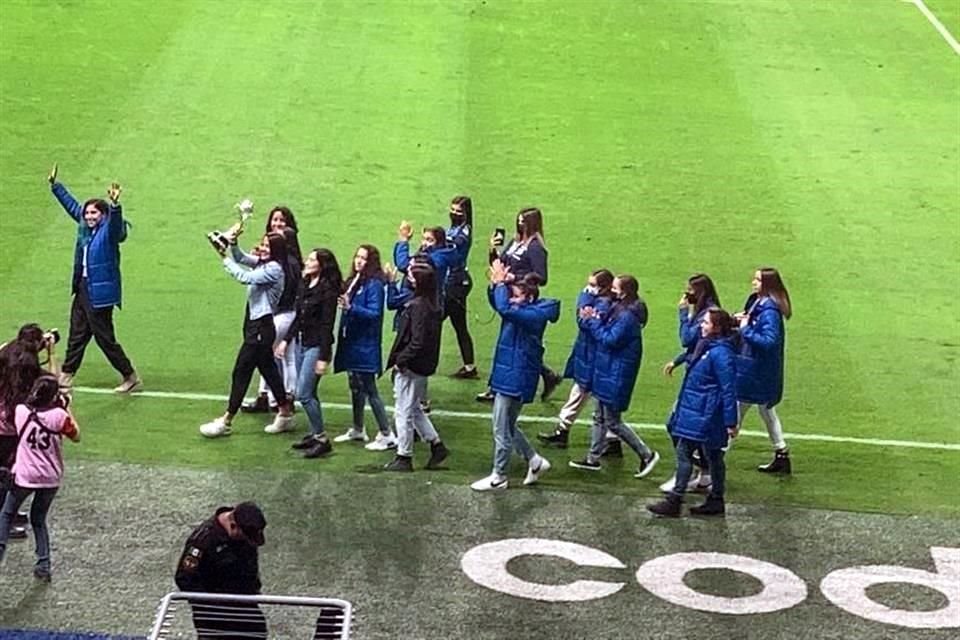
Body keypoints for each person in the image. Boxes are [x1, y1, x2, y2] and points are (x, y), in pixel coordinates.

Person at [48, 164, 140, 393]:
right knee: (77, 332)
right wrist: (55, 186)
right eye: (87, 213)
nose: (88, 216)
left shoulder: (109, 231)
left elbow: (118, 226)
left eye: (94, 213)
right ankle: (67, 375)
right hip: (83, 288)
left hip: (100, 293)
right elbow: (73, 207)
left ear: (103, 215)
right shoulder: (86, 230)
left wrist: (116, 205)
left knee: (104, 338)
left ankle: (129, 375)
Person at [199, 231, 295, 437]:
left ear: (276, 250)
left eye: (267, 246)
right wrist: (233, 244)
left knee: (241, 371)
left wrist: (223, 256)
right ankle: (285, 412)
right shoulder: (266, 263)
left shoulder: (274, 269)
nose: (262, 248)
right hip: (258, 325)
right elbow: (242, 258)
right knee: (269, 370)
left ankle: (227, 419)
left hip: (260, 328)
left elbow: (244, 276)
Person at [470, 269, 559, 491]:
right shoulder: (525, 309)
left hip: (515, 376)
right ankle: (534, 460)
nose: (511, 298)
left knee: (500, 428)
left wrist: (501, 285)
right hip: (512, 374)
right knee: (508, 425)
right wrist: (495, 286)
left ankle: (499, 476)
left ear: (528, 297)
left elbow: (504, 308)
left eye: (515, 295)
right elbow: (499, 304)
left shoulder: (532, 316)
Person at [648, 308, 738, 517]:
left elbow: (728, 389)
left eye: (705, 323)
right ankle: (716, 499)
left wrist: (731, 421)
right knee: (714, 456)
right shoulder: (711, 347)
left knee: (684, 452)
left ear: (716, 328)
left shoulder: (720, 354)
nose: (701, 325)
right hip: (700, 410)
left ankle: (675, 500)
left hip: (704, 413)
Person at [568, 275, 660, 479]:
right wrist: (591, 315)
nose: (612, 290)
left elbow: (610, 339)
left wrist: (592, 321)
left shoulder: (627, 317)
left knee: (613, 421)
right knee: (599, 416)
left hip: (616, 373)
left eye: (615, 287)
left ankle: (647, 454)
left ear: (625, 291)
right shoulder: (620, 308)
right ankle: (592, 459)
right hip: (608, 369)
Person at [477, 207, 562, 402]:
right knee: (510, 338)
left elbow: (542, 277)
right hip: (506, 292)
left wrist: (515, 277)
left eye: (524, 221)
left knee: (511, 338)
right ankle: (546, 375)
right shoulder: (514, 242)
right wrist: (493, 250)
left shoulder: (535, 248)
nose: (520, 223)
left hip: (521, 297)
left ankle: (496, 385)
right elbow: (499, 263)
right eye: (518, 219)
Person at [0, 375, 80, 581]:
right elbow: (76, 435)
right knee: (38, 519)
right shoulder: (59, 416)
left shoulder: (21, 411)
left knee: (7, 514)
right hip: (50, 477)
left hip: (24, 475)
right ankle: (43, 564)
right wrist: (67, 407)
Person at [383, 262, 450, 472]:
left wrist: (401, 360)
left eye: (412, 277)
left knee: (403, 412)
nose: (409, 278)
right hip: (423, 365)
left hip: (412, 366)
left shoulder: (417, 306)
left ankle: (404, 456)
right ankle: (436, 444)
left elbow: (416, 340)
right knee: (413, 408)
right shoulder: (432, 305)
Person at [538, 269, 615, 449]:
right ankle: (612, 441)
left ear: (604, 288)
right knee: (603, 404)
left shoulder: (602, 305)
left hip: (592, 357)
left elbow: (583, 322)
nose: (589, 288)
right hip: (591, 355)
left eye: (593, 285)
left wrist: (584, 298)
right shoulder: (603, 302)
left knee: (580, 395)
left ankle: (562, 432)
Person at [660, 273, 722, 493]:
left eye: (690, 290)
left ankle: (684, 477)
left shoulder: (707, 314)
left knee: (676, 426)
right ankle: (704, 474)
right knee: (690, 431)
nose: (686, 293)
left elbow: (687, 339)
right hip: (694, 379)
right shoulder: (706, 312)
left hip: (699, 386)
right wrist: (677, 361)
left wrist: (683, 314)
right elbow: (693, 348)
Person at [174, 502, 268, 639]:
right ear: (233, 526)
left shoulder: (247, 531)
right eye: (244, 537)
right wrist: (210, 605)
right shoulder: (203, 540)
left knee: (257, 635)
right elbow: (184, 578)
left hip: (244, 605)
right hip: (213, 612)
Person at [281, 249, 342, 459]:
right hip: (301, 343)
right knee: (310, 392)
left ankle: (322, 438)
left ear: (322, 265)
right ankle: (315, 435)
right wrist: (286, 340)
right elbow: (298, 316)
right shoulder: (305, 284)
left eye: (311, 259)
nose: (307, 262)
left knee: (304, 394)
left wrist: (324, 357)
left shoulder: (328, 291)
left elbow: (327, 325)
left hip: (316, 346)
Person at [244, 210, 303, 413]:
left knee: (272, 354)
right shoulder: (288, 262)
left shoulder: (284, 265)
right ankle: (277, 397)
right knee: (279, 355)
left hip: (281, 313)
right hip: (282, 312)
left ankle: (278, 398)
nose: (276, 224)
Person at [734, 268, 793, 473]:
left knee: (734, 413)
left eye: (758, 280)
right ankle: (781, 453)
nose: (753, 282)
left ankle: (712, 459)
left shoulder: (769, 311)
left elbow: (768, 341)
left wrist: (745, 328)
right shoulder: (759, 304)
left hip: (755, 371)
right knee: (766, 411)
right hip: (757, 369)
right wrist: (741, 321)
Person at [332, 245, 392, 446]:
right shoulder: (355, 282)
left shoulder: (373, 285)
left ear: (371, 262)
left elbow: (375, 314)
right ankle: (358, 428)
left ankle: (386, 433)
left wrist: (352, 307)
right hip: (352, 343)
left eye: (363, 258)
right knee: (355, 386)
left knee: (369, 388)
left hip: (365, 345)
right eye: (357, 256)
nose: (358, 261)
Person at [0, 340, 47, 541]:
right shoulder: (18, 388)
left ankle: (6, 513)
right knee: (4, 477)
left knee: (7, 476)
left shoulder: (7, 379)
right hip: (5, 436)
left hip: (7, 434)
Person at [445, 196, 478, 379]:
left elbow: (452, 247)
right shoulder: (454, 228)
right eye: (453, 210)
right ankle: (469, 366)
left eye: (458, 211)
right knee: (460, 325)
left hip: (456, 284)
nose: (454, 213)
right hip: (455, 282)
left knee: (430, 321)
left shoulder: (463, 232)